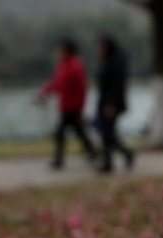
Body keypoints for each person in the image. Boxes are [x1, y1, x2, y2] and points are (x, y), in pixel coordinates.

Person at [38, 39, 95, 169]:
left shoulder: (75, 66)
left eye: (62, 50)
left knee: (60, 132)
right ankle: (92, 153)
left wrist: (81, 106)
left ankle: (59, 160)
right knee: (79, 132)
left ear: (68, 51)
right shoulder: (62, 65)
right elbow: (57, 83)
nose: (60, 52)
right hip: (65, 105)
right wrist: (44, 92)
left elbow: (82, 87)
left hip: (73, 107)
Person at [96, 36, 134, 173]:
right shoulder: (106, 62)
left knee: (108, 133)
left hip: (111, 104)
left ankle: (122, 155)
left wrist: (112, 104)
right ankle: (112, 160)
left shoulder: (116, 63)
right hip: (104, 102)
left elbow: (117, 86)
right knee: (106, 133)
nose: (98, 50)